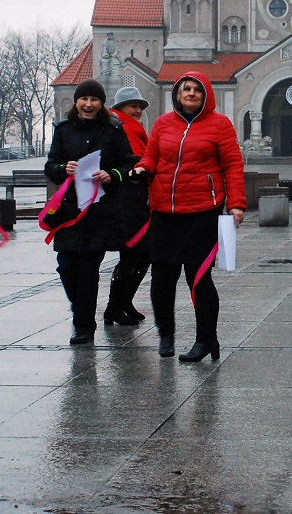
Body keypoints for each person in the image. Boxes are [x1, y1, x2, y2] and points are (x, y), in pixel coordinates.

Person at [132, 72, 246, 362]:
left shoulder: (220, 125)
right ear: (177, 94)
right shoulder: (162, 124)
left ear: (206, 94)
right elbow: (151, 157)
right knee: (162, 278)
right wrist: (143, 168)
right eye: (186, 89)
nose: (191, 94)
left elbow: (233, 165)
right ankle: (166, 335)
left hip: (202, 211)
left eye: (197, 89)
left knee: (198, 279)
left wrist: (236, 204)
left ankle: (206, 339)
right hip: (164, 211)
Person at [43, 78, 137, 345]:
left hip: (100, 211)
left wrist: (112, 174)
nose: (88, 104)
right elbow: (50, 165)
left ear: (101, 103)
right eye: (84, 99)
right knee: (66, 267)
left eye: (94, 99)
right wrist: (64, 169)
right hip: (69, 210)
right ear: (76, 101)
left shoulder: (112, 129)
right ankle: (80, 311)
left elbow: (129, 162)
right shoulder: (63, 130)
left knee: (88, 270)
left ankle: (83, 326)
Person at [103, 86, 152, 325]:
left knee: (136, 255)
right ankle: (115, 306)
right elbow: (136, 162)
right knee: (136, 254)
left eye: (140, 107)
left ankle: (122, 304)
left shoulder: (126, 125)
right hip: (127, 199)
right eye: (134, 106)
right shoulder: (124, 127)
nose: (138, 111)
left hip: (131, 198)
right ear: (121, 106)